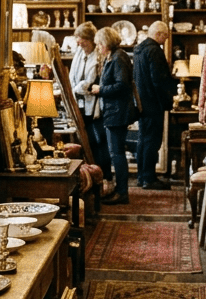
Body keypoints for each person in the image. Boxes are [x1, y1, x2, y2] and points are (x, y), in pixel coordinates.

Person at [91, 26, 135, 206]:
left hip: (117, 113)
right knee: (115, 152)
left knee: (117, 153)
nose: (98, 47)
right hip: (113, 111)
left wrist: (101, 90)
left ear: (106, 43)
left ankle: (122, 192)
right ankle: (119, 189)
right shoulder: (113, 57)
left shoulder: (118, 58)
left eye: (100, 44)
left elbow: (122, 85)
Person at [133, 21, 177, 189]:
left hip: (142, 103)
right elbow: (158, 81)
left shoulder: (138, 49)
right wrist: (167, 101)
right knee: (152, 141)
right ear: (158, 34)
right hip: (154, 104)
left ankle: (141, 176)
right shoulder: (155, 51)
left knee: (143, 140)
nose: (165, 40)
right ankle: (149, 178)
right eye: (165, 36)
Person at [68, 22, 111, 188]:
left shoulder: (98, 56)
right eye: (78, 40)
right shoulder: (79, 52)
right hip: (80, 104)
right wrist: (75, 89)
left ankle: (104, 176)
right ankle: (91, 176)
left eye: (83, 40)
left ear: (91, 40)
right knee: (87, 143)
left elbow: (90, 81)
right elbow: (72, 76)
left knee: (99, 142)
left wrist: (78, 88)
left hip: (94, 108)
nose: (79, 43)